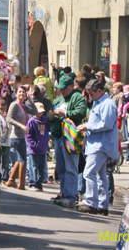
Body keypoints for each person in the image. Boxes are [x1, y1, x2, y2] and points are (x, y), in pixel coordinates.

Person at [76, 79, 118, 215]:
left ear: (100, 91)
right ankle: (102, 204)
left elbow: (107, 124)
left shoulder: (107, 104)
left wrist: (88, 126)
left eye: (92, 94)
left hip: (101, 145)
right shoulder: (98, 102)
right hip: (95, 144)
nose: (90, 97)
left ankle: (91, 202)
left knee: (89, 173)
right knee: (100, 176)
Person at [50, 75, 88, 208]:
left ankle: (71, 197)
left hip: (71, 137)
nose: (62, 91)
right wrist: (51, 116)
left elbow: (82, 111)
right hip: (59, 136)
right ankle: (64, 193)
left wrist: (65, 114)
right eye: (60, 88)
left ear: (72, 86)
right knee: (61, 168)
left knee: (71, 167)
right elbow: (53, 115)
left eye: (65, 88)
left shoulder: (77, 97)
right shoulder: (59, 99)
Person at [4, 85, 30, 190]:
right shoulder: (14, 104)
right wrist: (21, 125)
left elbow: (35, 112)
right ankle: (21, 184)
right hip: (16, 135)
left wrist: (30, 99)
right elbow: (8, 119)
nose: (21, 94)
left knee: (20, 158)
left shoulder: (23, 106)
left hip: (21, 135)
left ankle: (11, 180)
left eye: (23, 92)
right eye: (19, 92)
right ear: (15, 93)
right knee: (22, 159)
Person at [25, 102, 49, 192]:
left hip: (43, 149)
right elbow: (29, 135)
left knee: (42, 168)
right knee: (33, 166)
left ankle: (39, 183)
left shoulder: (45, 120)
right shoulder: (31, 121)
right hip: (34, 149)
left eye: (41, 112)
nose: (40, 114)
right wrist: (33, 145)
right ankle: (32, 182)